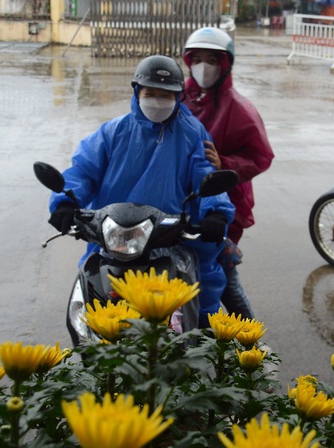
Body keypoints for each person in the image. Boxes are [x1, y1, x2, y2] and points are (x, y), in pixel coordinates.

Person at [47, 54, 235, 328]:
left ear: (178, 97)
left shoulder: (193, 134)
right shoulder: (113, 132)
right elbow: (83, 170)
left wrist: (215, 212)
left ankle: (204, 343)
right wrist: (64, 202)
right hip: (114, 236)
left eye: (165, 94)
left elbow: (205, 174)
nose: (157, 101)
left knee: (204, 284)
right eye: (151, 93)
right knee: (91, 291)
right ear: (137, 91)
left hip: (172, 236)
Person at [182, 27, 275, 320]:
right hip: (184, 198)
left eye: (212, 59)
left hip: (226, 205)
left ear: (225, 65)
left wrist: (225, 164)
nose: (204, 66)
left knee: (221, 275)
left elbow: (261, 156)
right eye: (198, 58)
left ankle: (251, 341)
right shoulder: (180, 97)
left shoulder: (240, 109)